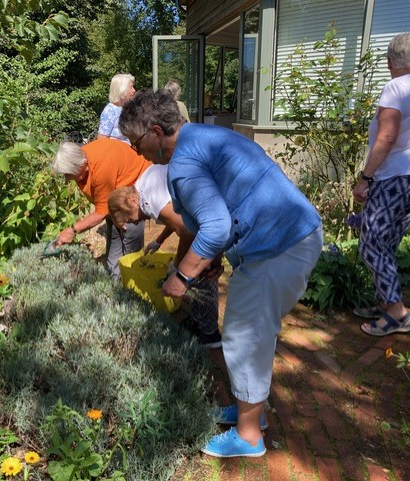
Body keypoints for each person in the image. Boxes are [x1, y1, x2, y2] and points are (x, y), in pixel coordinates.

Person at [119, 89, 323, 458]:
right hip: (293, 233)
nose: (137, 152)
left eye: (136, 143)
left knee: (245, 337)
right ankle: (249, 412)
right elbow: (222, 208)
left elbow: (215, 228)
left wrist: (180, 277)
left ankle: (248, 436)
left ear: (154, 131)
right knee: (249, 334)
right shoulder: (205, 137)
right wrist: (212, 259)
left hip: (279, 246)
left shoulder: (183, 161)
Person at [108, 165, 232, 406]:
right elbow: (179, 214)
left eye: (128, 217)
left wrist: (178, 271)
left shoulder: (147, 202)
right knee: (193, 318)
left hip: (205, 246)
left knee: (206, 324)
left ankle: (227, 389)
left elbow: (186, 230)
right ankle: (207, 363)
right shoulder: (147, 184)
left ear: (133, 200)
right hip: (208, 237)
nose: (134, 222)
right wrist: (159, 240)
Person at [353, 33, 410, 336]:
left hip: (397, 176)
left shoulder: (395, 87)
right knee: (386, 242)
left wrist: (365, 178)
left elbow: (388, 136)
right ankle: (386, 301)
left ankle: (396, 314)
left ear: (390, 61)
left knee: (372, 243)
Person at [51, 137, 151, 281]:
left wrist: (72, 230)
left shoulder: (101, 166)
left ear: (82, 166)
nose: (67, 179)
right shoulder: (81, 157)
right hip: (116, 198)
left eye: (68, 174)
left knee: (131, 246)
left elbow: (101, 212)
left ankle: (135, 287)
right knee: (115, 242)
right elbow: (104, 206)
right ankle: (115, 282)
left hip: (133, 192)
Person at [97, 74, 136, 144]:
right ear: (122, 89)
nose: (134, 90)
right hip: (115, 153)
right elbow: (101, 141)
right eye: (131, 87)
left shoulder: (126, 108)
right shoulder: (110, 110)